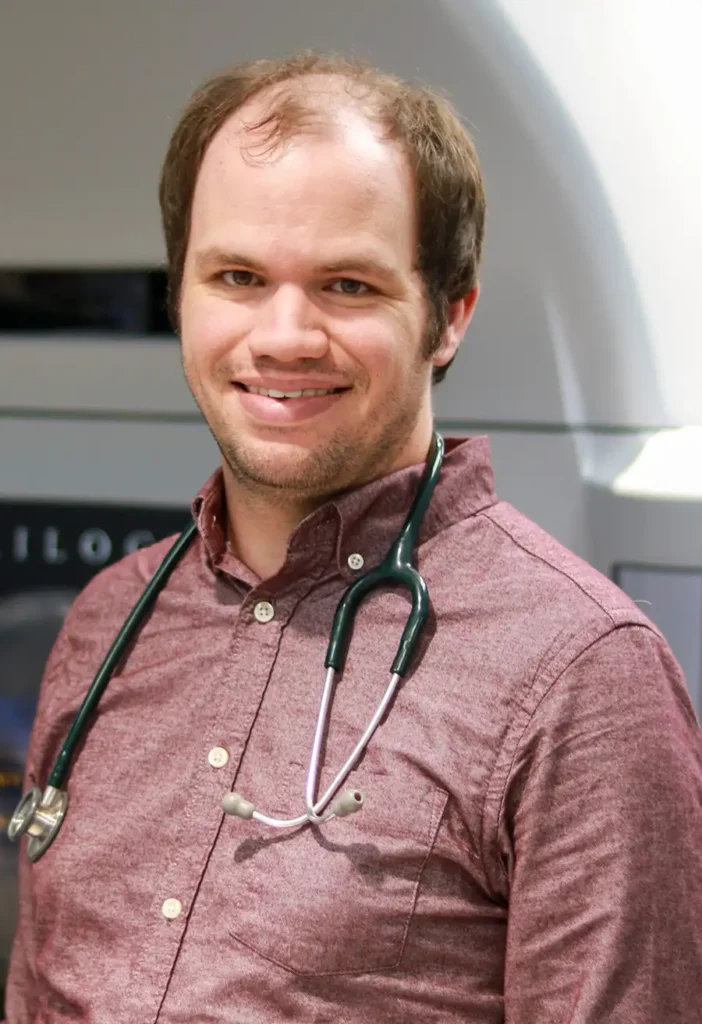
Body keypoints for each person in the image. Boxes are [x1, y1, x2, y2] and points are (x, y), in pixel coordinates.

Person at [6, 52, 702, 1023]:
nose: (284, 334)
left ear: (449, 315)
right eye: (238, 276)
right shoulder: (108, 623)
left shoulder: (582, 677)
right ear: (183, 296)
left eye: (346, 285)